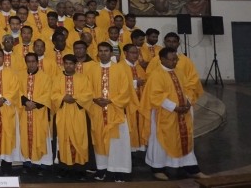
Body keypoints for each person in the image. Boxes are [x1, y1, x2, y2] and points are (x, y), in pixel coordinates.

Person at [140, 48, 209, 180]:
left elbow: (187, 88)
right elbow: (155, 96)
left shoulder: (179, 71)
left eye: (176, 59)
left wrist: (187, 102)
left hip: (182, 114)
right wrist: (174, 107)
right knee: (161, 142)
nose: (175, 62)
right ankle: (158, 168)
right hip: (164, 115)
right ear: (162, 59)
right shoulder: (156, 75)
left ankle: (192, 168)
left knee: (184, 140)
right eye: (172, 60)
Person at [87, 42, 134, 182]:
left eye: (106, 51)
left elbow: (126, 90)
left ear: (111, 53)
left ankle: (119, 171)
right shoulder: (92, 69)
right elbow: (87, 88)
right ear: (97, 53)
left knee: (117, 143)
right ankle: (102, 169)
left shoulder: (120, 69)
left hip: (115, 111)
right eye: (101, 51)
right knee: (99, 140)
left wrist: (111, 100)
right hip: (97, 111)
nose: (103, 53)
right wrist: (95, 99)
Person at [52, 54, 93, 180]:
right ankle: (65, 168)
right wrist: (63, 97)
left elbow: (88, 94)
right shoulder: (57, 78)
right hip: (62, 113)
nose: (68, 66)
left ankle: (80, 169)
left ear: (75, 65)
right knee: (63, 139)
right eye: (66, 63)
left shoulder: (83, 78)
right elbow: (53, 94)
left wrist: (74, 98)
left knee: (80, 139)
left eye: (71, 63)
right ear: (63, 64)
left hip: (78, 113)